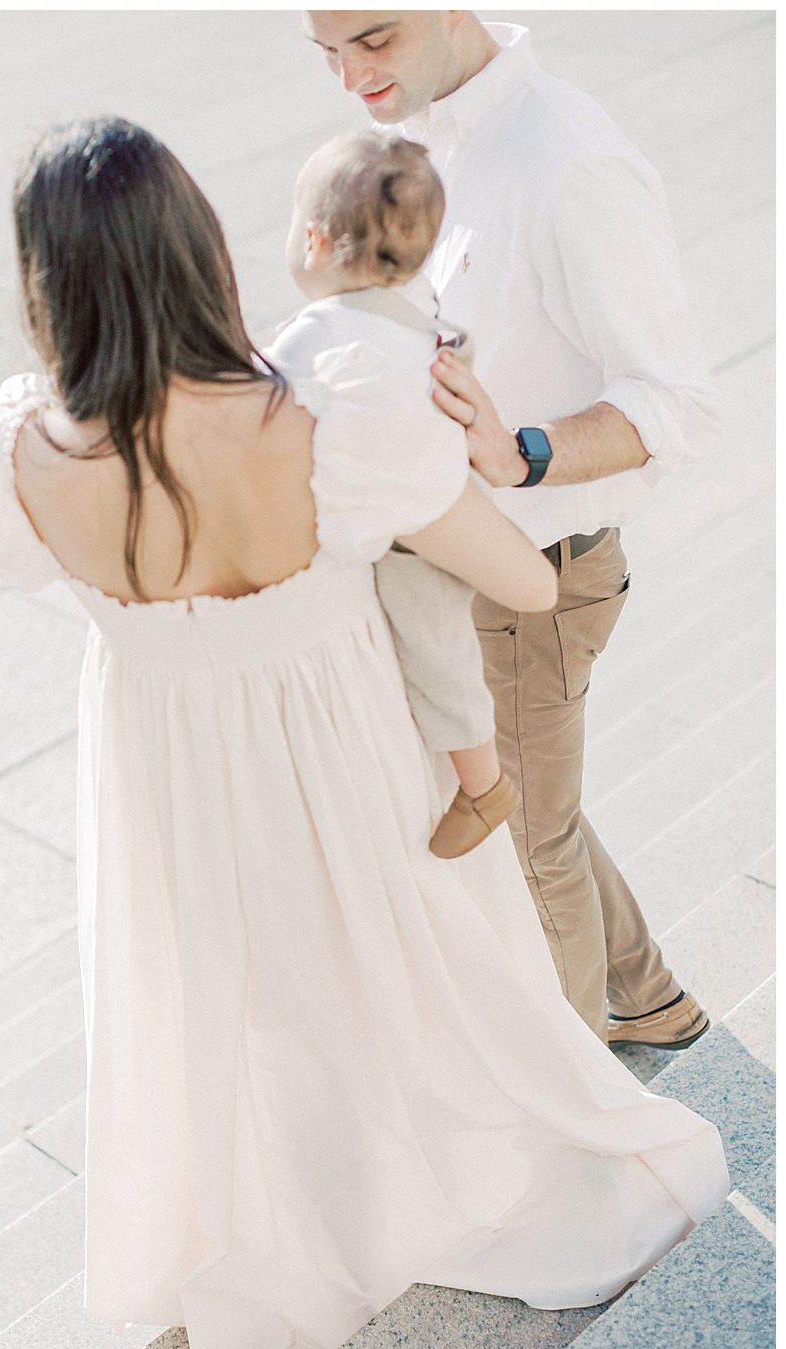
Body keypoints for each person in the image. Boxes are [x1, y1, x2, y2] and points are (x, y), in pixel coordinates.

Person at [0, 118, 728, 1349]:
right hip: (334, 747)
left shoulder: (19, 455)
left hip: (163, 767)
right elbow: (521, 591)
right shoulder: (322, 415)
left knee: (228, 987)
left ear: (46, 282)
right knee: (400, 959)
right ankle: (425, 1170)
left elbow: (62, 581)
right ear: (202, 248)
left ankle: (279, 1207)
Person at [303, 11, 720, 1048]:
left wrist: (519, 447)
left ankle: (590, 1140)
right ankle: (649, 993)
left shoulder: (568, 162)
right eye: (327, 54)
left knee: (528, 843)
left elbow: (678, 404)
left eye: (372, 39)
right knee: (538, 810)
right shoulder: (424, 135)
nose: (351, 76)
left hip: (536, 572)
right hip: (461, 572)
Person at [267, 129, 524, 859]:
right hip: (444, 488)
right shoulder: (416, 301)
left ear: (314, 240)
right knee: (439, 641)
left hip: (408, 528)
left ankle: (484, 787)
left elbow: (267, 398)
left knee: (437, 651)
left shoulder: (321, 331)